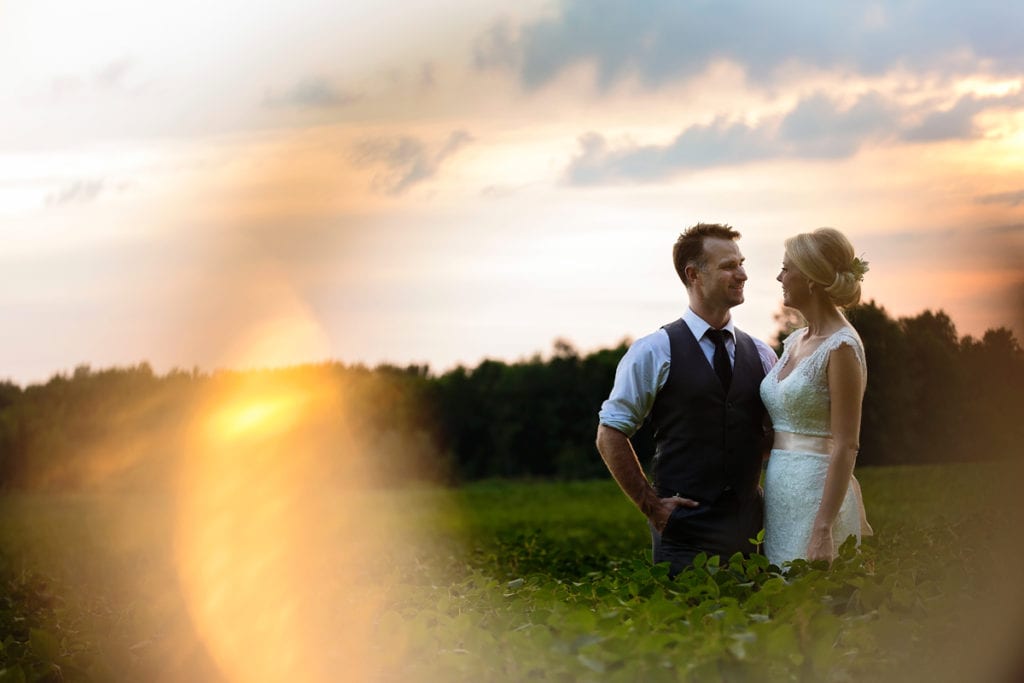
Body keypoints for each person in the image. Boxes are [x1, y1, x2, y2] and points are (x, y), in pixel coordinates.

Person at [596, 223, 777, 576]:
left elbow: (773, 433)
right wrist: (652, 506)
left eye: (741, 263)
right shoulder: (653, 351)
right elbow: (610, 434)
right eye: (728, 266)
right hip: (683, 533)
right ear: (694, 274)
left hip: (753, 529)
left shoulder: (762, 353)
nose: (742, 274)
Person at [760, 227, 873, 566]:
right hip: (781, 495)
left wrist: (822, 526)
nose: (780, 276)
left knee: (821, 606)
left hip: (817, 497)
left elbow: (846, 444)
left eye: (786, 268)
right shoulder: (795, 341)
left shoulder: (842, 347)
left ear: (810, 278)